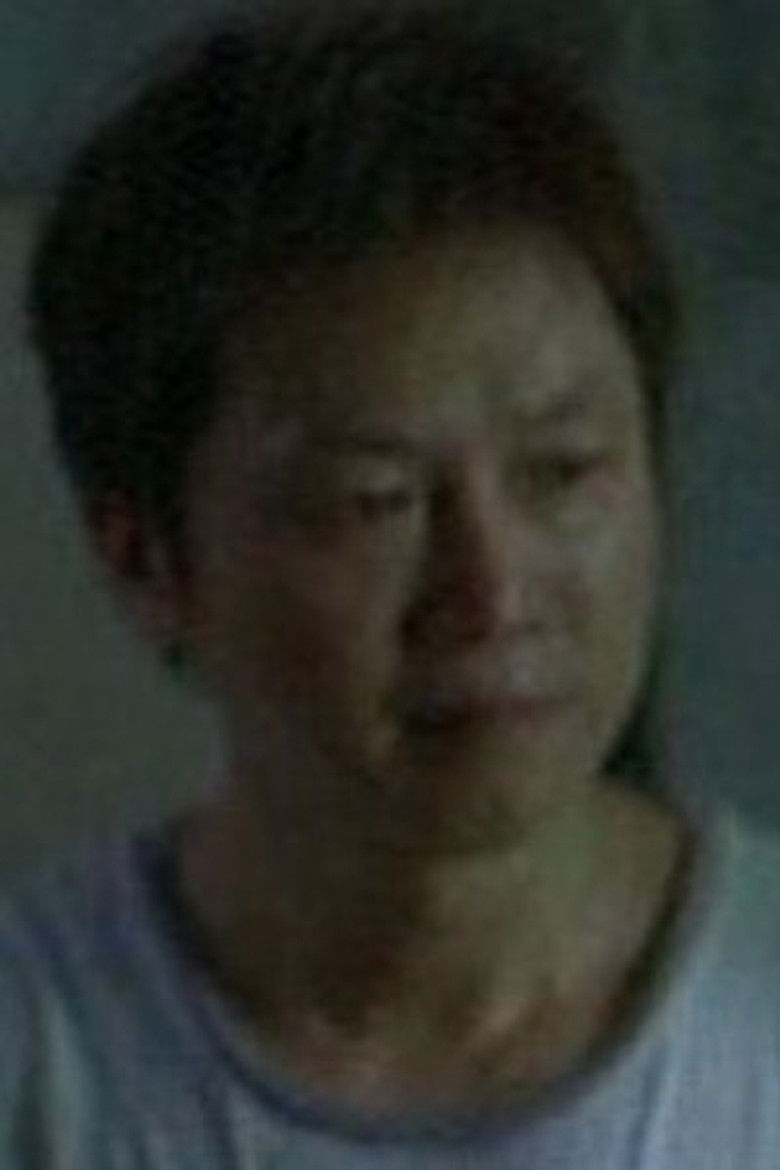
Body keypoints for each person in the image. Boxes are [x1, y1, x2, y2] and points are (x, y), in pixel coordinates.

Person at [3, 2, 780, 1165]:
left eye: (563, 472)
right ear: (145, 560)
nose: (493, 589)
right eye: (376, 501)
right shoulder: (41, 1058)